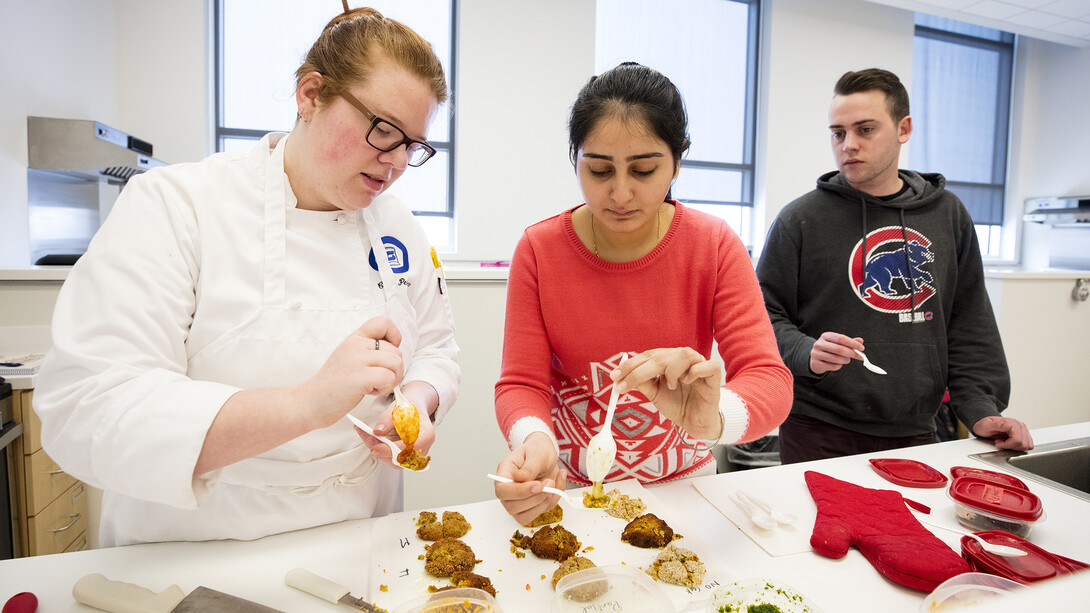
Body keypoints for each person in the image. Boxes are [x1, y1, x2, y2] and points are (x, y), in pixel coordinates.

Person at [33, 4, 460, 546]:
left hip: (356, 543)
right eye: (383, 130)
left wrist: (417, 405)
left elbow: (439, 349)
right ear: (311, 96)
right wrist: (304, 404)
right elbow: (88, 407)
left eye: (413, 146)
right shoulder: (177, 206)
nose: (396, 163)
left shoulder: (398, 226)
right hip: (193, 552)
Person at [492, 62, 793, 525]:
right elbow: (521, 384)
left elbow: (769, 379)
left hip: (688, 494)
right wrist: (536, 441)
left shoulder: (712, 245)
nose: (620, 193)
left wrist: (713, 418)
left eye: (644, 169)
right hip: (572, 495)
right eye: (598, 169)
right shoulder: (540, 250)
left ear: (678, 160)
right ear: (576, 159)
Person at [755, 68, 1033, 464]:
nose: (848, 144)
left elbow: (969, 323)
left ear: (904, 129)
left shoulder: (948, 215)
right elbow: (761, 315)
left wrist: (982, 410)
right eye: (838, 133)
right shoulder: (800, 219)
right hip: (817, 429)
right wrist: (805, 350)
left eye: (865, 129)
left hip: (917, 428)